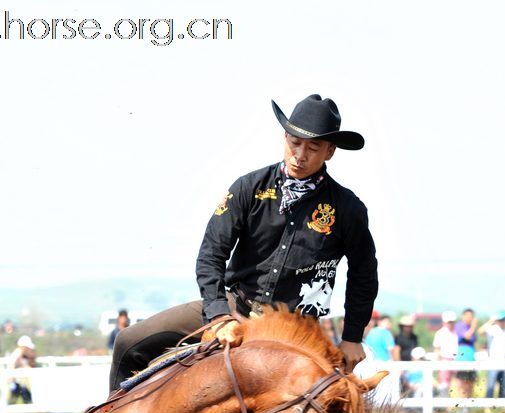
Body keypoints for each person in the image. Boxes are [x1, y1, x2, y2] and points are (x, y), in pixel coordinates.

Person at [110, 93, 378, 393]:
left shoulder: (348, 209)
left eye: (313, 147)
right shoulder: (248, 188)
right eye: (294, 142)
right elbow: (212, 253)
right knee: (128, 341)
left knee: (328, 403)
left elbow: (363, 274)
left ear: (329, 152)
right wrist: (219, 314)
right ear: (284, 137)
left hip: (295, 328)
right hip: (235, 305)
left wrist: (353, 336)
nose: (300, 154)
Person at [479, 312, 505, 398]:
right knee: (490, 386)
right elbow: (480, 331)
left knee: (503, 387)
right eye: (499, 320)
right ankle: (487, 406)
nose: (501, 322)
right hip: (493, 363)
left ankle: (500, 408)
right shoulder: (493, 329)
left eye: (503, 320)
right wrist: (491, 321)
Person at [454, 308, 478, 400]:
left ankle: (468, 406)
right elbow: (467, 336)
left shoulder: (471, 328)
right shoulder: (460, 326)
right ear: (463, 316)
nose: (470, 318)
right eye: (468, 316)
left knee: (471, 384)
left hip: (471, 359)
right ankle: (463, 406)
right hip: (462, 359)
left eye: (471, 316)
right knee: (462, 385)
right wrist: (473, 327)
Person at [433, 311, 458, 397]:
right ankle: (445, 405)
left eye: (452, 322)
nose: (450, 324)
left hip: (457, 360)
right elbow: (437, 349)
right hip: (444, 359)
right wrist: (437, 363)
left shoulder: (457, 333)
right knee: (444, 384)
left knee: (459, 383)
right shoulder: (440, 333)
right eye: (449, 322)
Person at [8, 335, 37, 404]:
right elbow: (12, 367)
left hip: (22, 382)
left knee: (20, 397)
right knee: (20, 395)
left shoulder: (25, 355)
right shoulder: (17, 354)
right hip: (17, 382)